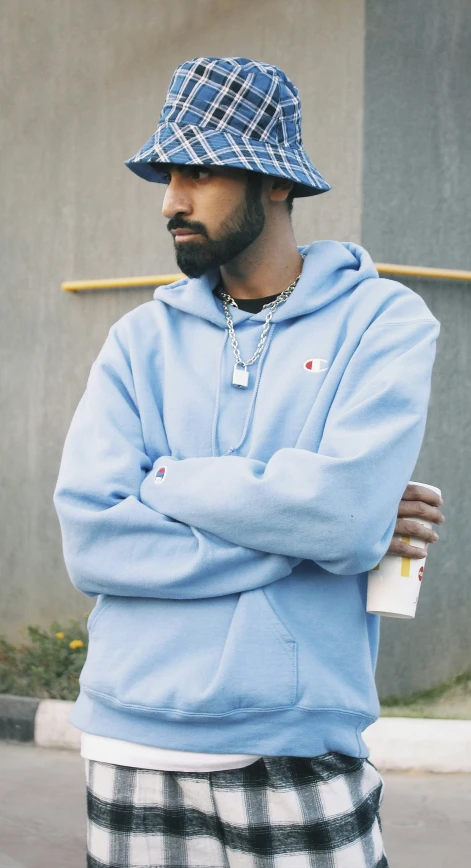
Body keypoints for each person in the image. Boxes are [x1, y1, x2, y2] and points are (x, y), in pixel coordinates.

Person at [54, 57, 444, 868]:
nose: (171, 201)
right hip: (130, 743)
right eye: (168, 175)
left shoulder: (382, 323)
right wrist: (316, 529)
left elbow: (339, 514)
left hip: (296, 743)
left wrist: (167, 481)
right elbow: (93, 538)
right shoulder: (138, 342)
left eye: (198, 172)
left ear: (273, 180)